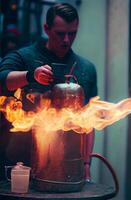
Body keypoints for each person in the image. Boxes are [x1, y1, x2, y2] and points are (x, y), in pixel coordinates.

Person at [0, 3, 97, 181]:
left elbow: (88, 120)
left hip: (66, 166)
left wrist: (86, 164)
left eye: (72, 33)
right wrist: (30, 75)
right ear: (47, 28)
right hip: (20, 164)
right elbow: (2, 79)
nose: (66, 40)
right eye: (60, 33)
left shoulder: (86, 69)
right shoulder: (25, 57)